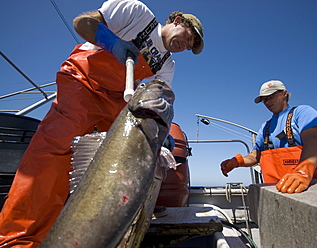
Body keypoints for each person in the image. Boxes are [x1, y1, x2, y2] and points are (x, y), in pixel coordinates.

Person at [0, 0, 204, 247]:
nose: (184, 45)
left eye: (189, 46)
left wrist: (160, 136)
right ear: (177, 20)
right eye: (187, 37)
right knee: (54, 155)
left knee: (109, 167)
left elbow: (157, 98)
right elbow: (83, 23)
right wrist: (113, 43)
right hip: (83, 82)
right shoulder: (138, 13)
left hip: (117, 102)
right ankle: (17, 239)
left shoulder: (166, 64)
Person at [220, 80, 317, 194]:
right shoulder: (265, 127)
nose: (267, 102)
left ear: (284, 93)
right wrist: (236, 162)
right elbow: (255, 156)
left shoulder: (302, 112)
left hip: (316, 188)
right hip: (280, 192)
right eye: (264, 100)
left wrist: (302, 172)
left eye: (271, 97)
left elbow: (312, 142)